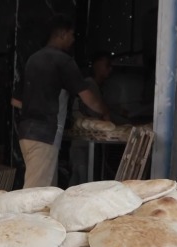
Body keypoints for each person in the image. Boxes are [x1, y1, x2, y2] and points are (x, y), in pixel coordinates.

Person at [13, 15, 110, 188]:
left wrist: (36, 107)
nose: (73, 39)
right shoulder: (63, 61)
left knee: (46, 190)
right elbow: (87, 97)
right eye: (72, 34)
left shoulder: (33, 59)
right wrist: (105, 112)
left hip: (26, 134)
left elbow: (15, 100)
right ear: (62, 34)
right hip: (44, 135)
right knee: (35, 194)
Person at [69, 51, 113, 185]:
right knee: (82, 181)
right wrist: (106, 113)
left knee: (79, 180)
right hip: (82, 142)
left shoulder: (97, 86)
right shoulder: (88, 84)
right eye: (107, 65)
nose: (110, 69)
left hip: (88, 143)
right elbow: (93, 108)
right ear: (97, 65)